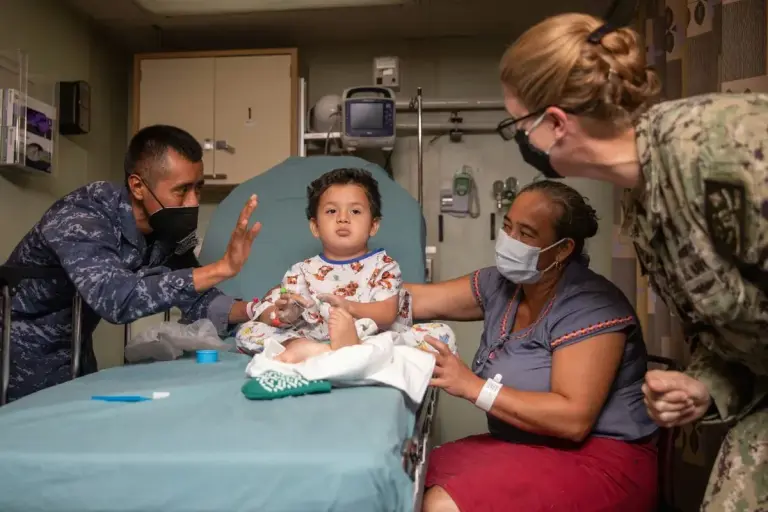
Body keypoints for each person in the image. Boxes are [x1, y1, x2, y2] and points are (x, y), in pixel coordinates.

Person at [495, 12, 767, 511]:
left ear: (556, 122)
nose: (519, 142)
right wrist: (703, 386)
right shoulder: (643, 203)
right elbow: (742, 333)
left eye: (517, 125)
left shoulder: (722, 146)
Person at [407, 180, 657, 512]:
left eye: (526, 234)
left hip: (601, 459)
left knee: (443, 504)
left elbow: (573, 419)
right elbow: (415, 299)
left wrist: (472, 386)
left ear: (564, 248)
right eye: (508, 227)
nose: (510, 241)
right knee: (406, 475)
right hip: (523, 446)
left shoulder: (591, 305)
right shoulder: (502, 285)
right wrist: (331, 289)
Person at [1, 124, 261, 402]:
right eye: (182, 190)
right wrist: (219, 269)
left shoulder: (166, 228)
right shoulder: (81, 217)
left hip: (76, 350)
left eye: (198, 188)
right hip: (16, 354)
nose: (193, 201)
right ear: (138, 186)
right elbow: (116, 299)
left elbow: (194, 296)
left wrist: (256, 309)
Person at [236, 167, 455, 363]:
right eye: (331, 211)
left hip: (371, 338)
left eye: (355, 211)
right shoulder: (300, 271)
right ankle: (318, 350)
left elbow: (387, 314)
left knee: (441, 334)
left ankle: (348, 350)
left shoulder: (384, 266)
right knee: (247, 331)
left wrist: (347, 307)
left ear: (373, 225)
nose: (343, 218)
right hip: (316, 338)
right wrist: (288, 313)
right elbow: (289, 311)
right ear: (315, 226)